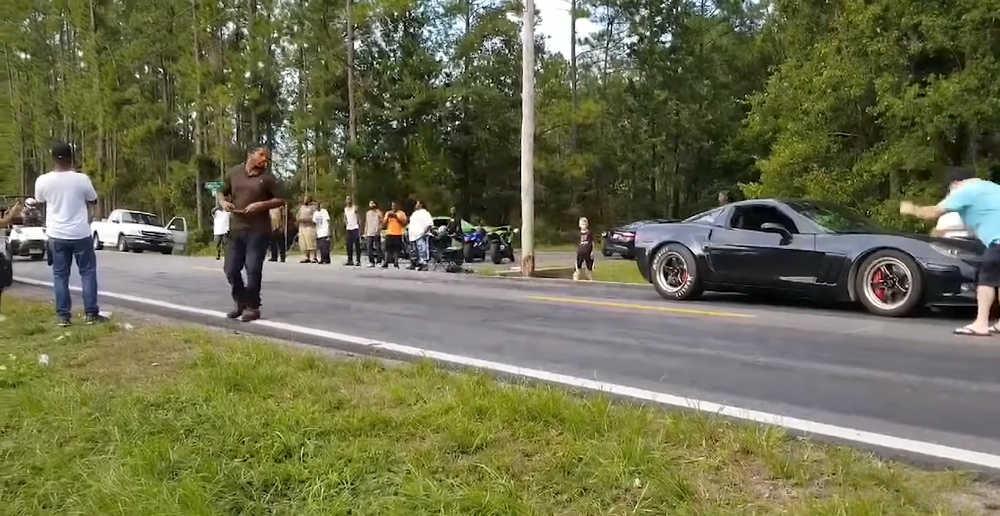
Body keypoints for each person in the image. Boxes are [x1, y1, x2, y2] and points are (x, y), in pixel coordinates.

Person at [900, 166, 1000, 336]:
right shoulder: (993, 187)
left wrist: (911, 209)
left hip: (998, 241)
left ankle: (981, 324)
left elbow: (933, 212)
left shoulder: (965, 191)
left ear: (955, 183)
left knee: (986, 282)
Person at [34, 143, 106, 326]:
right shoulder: (82, 179)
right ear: (71, 158)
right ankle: (91, 313)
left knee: (60, 275)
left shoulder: (43, 180)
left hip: (56, 234)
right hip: (80, 233)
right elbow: (93, 199)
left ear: (52, 158)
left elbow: (39, 200)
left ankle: (63, 316)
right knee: (88, 273)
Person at [218, 147, 285, 322]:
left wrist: (260, 205)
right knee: (231, 269)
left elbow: (282, 198)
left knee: (253, 267)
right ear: (250, 155)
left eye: (267, 156)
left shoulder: (268, 178)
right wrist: (223, 202)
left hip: (259, 230)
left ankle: (253, 307)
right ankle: (240, 300)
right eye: (261, 155)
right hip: (237, 228)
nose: (265, 159)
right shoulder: (234, 173)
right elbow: (221, 190)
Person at [407, 200, 433, 270]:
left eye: (417, 203)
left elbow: (429, 224)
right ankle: (414, 263)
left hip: (420, 234)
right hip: (413, 235)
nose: (416, 205)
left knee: (422, 250)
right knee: (413, 250)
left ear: (421, 204)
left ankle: (424, 264)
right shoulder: (414, 214)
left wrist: (424, 233)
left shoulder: (425, 213)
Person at [382, 201, 407, 268]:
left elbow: (404, 223)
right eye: (392, 205)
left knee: (396, 249)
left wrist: (396, 217)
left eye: (395, 206)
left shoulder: (401, 213)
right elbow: (384, 224)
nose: (393, 207)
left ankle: (396, 262)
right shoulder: (388, 213)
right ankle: (386, 262)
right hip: (389, 233)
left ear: (398, 206)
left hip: (398, 233)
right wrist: (387, 218)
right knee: (387, 249)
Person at [296, 195, 318, 263]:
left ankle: (313, 257)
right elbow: (298, 215)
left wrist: (307, 220)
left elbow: (316, 216)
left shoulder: (313, 207)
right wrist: (298, 219)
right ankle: (306, 257)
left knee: (311, 241)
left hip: (310, 226)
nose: (305, 200)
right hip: (302, 227)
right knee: (303, 242)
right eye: (304, 199)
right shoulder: (301, 207)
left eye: (306, 199)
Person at [573, 216, 595, 281]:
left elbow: (592, 242)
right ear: (579, 225)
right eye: (582, 224)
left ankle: (590, 279)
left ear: (587, 225)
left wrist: (592, 252)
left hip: (588, 253)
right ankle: (575, 278)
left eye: (585, 224)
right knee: (578, 266)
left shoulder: (589, 233)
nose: (584, 225)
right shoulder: (578, 234)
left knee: (589, 267)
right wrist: (577, 250)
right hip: (580, 252)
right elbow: (577, 243)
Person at [344, 196, 361, 266]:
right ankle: (350, 260)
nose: (348, 201)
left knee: (357, 245)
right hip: (349, 228)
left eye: (349, 199)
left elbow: (358, 218)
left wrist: (360, 228)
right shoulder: (345, 209)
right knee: (349, 245)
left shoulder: (355, 208)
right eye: (347, 199)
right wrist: (346, 223)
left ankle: (358, 260)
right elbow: (345, 217)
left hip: (355, 228)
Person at [364, 200, 382, 267]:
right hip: (369, 232)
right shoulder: (368, 213)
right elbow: (366, 223)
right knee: (369, 248)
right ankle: (371, 262)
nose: (371, 205)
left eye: (372, 203)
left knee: (378, 248)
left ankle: (379, 261)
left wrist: (379, 229)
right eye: (370, 204)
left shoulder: (379, 212)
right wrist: (365, 232)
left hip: (376, 232)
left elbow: (381, 222)